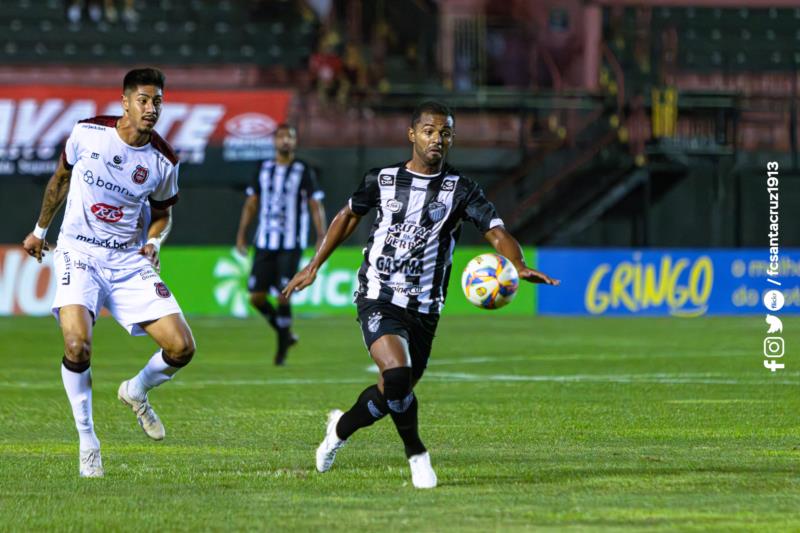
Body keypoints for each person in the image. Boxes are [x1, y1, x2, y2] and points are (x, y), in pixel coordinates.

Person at [282, 101, 560, 489]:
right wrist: (313, 265)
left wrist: (517, 262)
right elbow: (347, 216)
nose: (437, 139)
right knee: (396, 372)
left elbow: (496, 231)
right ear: (412, 134)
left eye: (445, 132)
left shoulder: (461, 190)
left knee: (392, 393)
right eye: (429, 130)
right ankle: (417, 455)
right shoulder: (381, 180)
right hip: (378, 295)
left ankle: (338, 430)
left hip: (426, 309)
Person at [22, 67, 195, 478]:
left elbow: (162, 216)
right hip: (78, 253)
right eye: (144, 100)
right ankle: (88, 442)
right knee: (77, 345)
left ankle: (136, 391)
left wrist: (154, 242)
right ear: (125, 102)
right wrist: (39, 230)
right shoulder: (87, 133)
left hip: (126, 260)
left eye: (157, 102)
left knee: (182, 348)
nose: (151, 109)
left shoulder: (163, 161)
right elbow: (60, 180)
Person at [236, 124, 327, 365]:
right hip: (265, 242)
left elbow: (315, 204)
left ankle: (281, 352)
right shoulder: (262, 168)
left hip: (290, 243)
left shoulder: (304, 169)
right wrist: (242, 234)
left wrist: (321, 235)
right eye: (281, 136)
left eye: (290, 136)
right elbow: (251, 202)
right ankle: (285, 333)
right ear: (274, 141)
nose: (285, 140)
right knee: (256, 298)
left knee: (284, 296)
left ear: (295, 142)